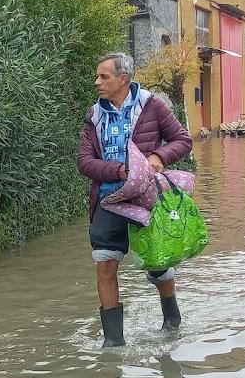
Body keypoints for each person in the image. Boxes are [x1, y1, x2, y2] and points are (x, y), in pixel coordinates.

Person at [77, 53, 193, 347]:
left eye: (103, 77)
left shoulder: (152, 106)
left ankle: (171, 318)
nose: (97, 82)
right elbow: (84, 162)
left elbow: (182, 140)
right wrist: (118, 170)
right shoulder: (94, 116)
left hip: (146, 200)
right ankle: (113, 342)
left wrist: (158, 156)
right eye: (98, 76)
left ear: (123, 79)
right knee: (105, 266)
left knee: (157, 264)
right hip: (108, 200)